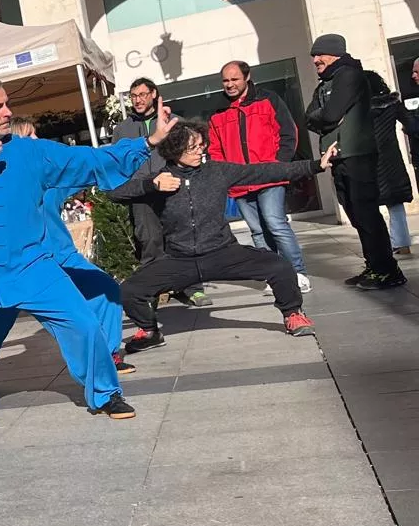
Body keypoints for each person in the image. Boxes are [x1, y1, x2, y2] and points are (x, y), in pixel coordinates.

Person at [0, 78, 173, 437]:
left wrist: (148, 142)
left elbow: (89, 160)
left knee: (84, 324)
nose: (7, 112)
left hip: (31, 267)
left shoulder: (32, 153)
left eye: (6, 104)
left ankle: (105, 394)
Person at [117, 121, 327, 351]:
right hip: (179, 260)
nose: (201, 150)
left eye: (201, 145)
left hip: (223, 252)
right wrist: (151, 185)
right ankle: (149, 332)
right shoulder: (162, 179)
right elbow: (115, 193)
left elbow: (265, 171)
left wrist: (315, 165)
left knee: (280, 267)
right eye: (193, 147)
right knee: (129, 291)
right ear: (175, 151)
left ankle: (292, 315)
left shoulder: (216, 172)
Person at [0, 117, 136, 376]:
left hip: (62, 258)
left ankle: (107, 357)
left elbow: (88, 167)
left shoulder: (52, 180)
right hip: (16, 267)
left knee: (104, 288)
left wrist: (135, 155)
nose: (37, 141)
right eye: (30, 136)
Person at [307, 34, 407, 290]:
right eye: (313, 56)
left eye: (320, 55)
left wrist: (326, 117)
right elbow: (310, 117)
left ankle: (387, 270)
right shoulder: (325, 83)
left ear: (335, 53)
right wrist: (325, 118)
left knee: (366, 213)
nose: (315, 60)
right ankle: (374, 266)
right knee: (355, 214)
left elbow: (330, 113)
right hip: (340, 157)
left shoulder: (348, 75)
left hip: (357, 154)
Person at [209, 61, 312, 292]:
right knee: (257, 230)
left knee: (275, 223)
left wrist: (279, 164)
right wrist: (224, 175)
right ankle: (273, 275)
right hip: (240, 181)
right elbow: (215, 149)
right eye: (225, 80)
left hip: (270, 176)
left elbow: (288, 132)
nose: (230, 84)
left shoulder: (268, 100)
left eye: (234, 79)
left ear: (247, 77)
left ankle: (298, 272)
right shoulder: (218, 112)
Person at [113, 78, 208, 307]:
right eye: (134, 96)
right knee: (149, 240)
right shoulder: (122, 129)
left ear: (154, 95)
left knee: (181, 237)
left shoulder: (172, 121)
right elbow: (118, 160)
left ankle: (192, 287)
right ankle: (151, 291)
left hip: (172, 186)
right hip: (141, 191)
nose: (137, 100)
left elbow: (192, 145)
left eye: (142, 94)